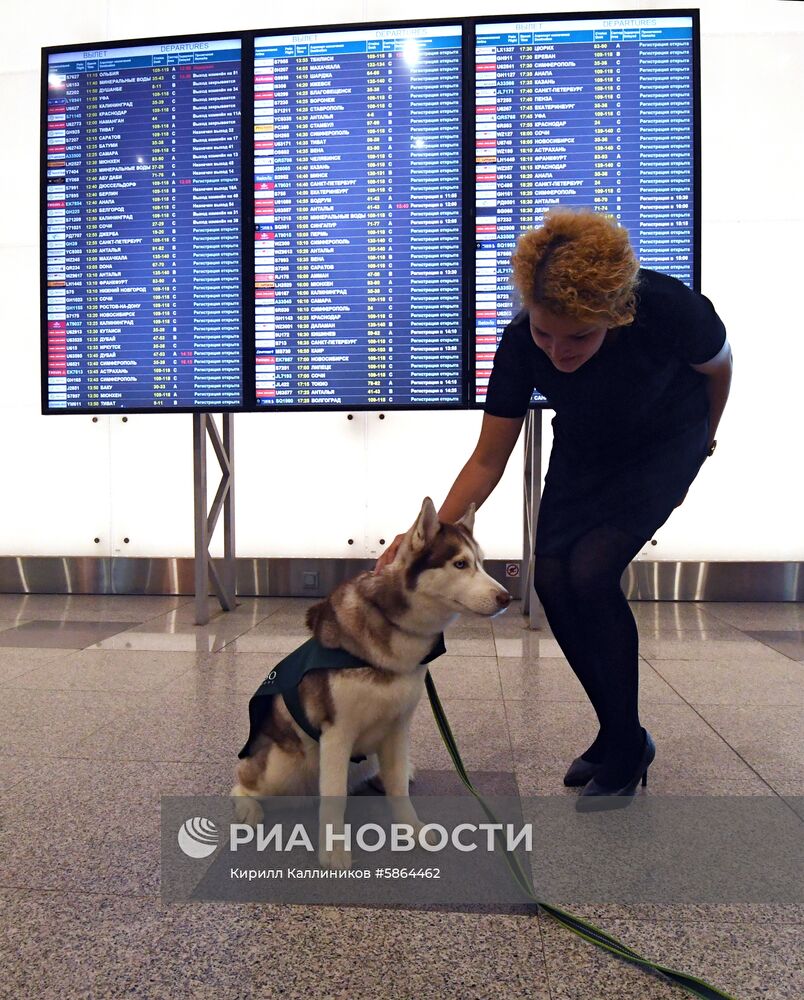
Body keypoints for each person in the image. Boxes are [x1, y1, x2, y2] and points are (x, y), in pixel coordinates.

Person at [374, 208, 732, 807]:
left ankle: (622, 746)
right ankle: (622, 732)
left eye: (578, 337)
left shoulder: (670, 309)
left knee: (590, 574)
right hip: (586, 448)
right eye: (546, 334)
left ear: (614, 315)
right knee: (555, 580)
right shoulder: (521, 343)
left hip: (663, 445)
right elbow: (489, 457)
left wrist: (704, 441)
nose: (558, 352)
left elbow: (718, 368)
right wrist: (424, 538)